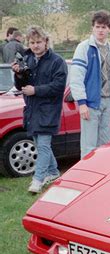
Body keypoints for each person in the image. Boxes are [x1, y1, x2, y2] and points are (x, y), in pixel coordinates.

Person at [12, 26, 67, 193]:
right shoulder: (27, 58)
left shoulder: (57, 61)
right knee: (39, 143)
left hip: (48, 110)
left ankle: (38, 179)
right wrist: (19, 74)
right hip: (32, 109)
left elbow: (58, 87)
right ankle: (53, 171)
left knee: (42, 145)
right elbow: (20, 86)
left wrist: (36, 90)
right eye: (32, 42)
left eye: (39, 42)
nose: (35, 46)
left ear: (46, 42)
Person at [70, 10, 110, 159]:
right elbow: (76, 77)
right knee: (89, 145)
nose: (101, 30)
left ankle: (103, 177)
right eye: (98, 27)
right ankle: (87, 177)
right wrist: (81, 103)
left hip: (107, 100)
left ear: (109, 29)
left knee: (106, 144)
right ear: (93, 28)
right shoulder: (84, 48)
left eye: (104, 27)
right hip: (91, 102)